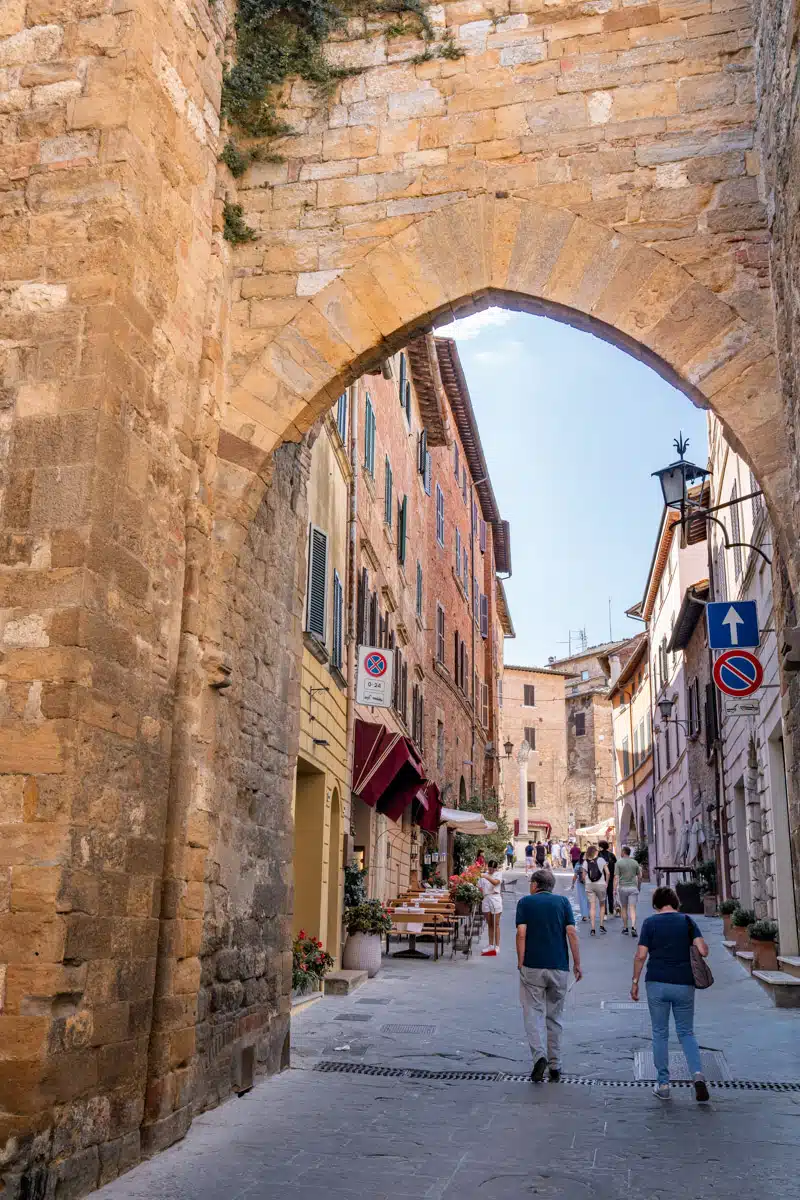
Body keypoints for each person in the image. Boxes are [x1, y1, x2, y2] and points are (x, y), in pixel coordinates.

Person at [631, 886, 711, 1103]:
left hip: (656, 982)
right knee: (686, 1032)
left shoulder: (650, 923)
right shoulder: (687, 921)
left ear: (656, 904)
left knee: (660, 1033)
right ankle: (697, 1075)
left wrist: (635, 982)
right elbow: (703, 951)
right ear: (675, 902)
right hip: (684, 983)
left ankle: (664, 1084)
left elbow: (640, 955)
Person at [516, 868, 582, 1082]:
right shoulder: (563, 903)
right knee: (555, 1016)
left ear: (535, 884)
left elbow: (521, 933)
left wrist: (520, 960)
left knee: (532, 1014)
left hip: (532, 965)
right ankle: (555, 1064)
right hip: (559, 966)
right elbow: (572, 933)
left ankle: (539, 1057)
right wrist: (577, 963)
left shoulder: (525, 903)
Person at [616, 846, 642, 935]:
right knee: (632, 908)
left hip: (623, 888)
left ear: (623, 852)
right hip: (633, 888)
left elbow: (616, 877)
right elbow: (640, 876)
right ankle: (634, 927)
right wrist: (639, 887)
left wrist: (614, 889)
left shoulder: (618, 863)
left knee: (624, 907)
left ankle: (625, 928)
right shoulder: (635, 862)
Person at [479, 860, 503, 956]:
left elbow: (495, 883)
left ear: (496, 868)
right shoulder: (484, 875)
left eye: (493, 869)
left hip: (495, 897)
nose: (491, 870)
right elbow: (480, 886)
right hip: (486, 898)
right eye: (490, 868)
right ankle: (490, 945)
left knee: (496, 923)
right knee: (490, 924)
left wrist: (486, 876)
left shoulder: (498, 874)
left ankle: (497, 946)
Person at [584, 845, 608, 935]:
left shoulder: (586, 862)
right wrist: (606, 882)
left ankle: (593, 929)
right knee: (602, 905)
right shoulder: (601, 860)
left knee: (592, 907)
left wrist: (585, 882)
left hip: (589, 885)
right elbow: (608, 872)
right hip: (601, 884)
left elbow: (583, 875)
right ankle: (601, 925)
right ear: (595, 852)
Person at [570, 851, 589, 922]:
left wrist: (572, 884)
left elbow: (575, 876)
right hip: (589, 882)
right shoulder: (589, 863)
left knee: (582, 899)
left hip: (580, 883)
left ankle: (584, 915)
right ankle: (589, 913)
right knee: (589, 898)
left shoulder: (578, 864)